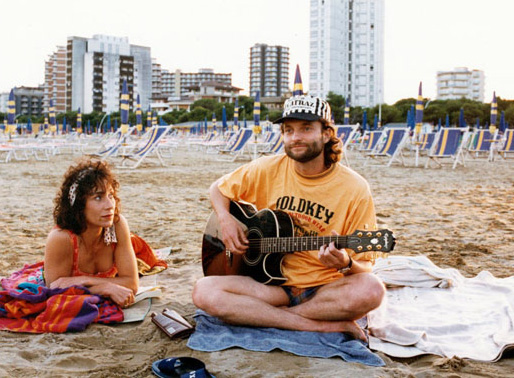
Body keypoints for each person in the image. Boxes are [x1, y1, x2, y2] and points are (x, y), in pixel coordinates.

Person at [192, 95, 388, 340]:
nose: (295, 137)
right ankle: (318, 325)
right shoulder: (267, 168)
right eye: (288, 130)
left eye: (306, 129)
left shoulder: (355, 188)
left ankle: (270, 316)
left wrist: (345, 264)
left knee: (372, 290)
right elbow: (217, 189)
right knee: (203, 291)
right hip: (271, 287)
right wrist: (226, 220)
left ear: (326, 134)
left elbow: (366, 266)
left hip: (325, 289)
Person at [44, 158, 139, 308]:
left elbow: (132, 283)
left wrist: (85, 281)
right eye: (98, 197)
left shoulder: (117, 225)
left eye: (111, 196)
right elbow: (53, 291)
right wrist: (103, 288)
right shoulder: (61, 239)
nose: (109, 206)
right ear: (79, 205)